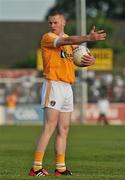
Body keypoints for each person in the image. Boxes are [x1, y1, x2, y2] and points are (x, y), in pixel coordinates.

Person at [29, 10, 106, 177]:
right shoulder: (48, 37)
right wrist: (88, 38)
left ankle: (60, 168)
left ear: (63, 23)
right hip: (53, 84)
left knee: (64, 129)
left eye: (55, 22)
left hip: (67, 86)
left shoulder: (71, 44)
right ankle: (35, 168)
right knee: (49, 127)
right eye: (50, 22)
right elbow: (67, 40)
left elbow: (77, 59)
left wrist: (91, 61)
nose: (52, 25)